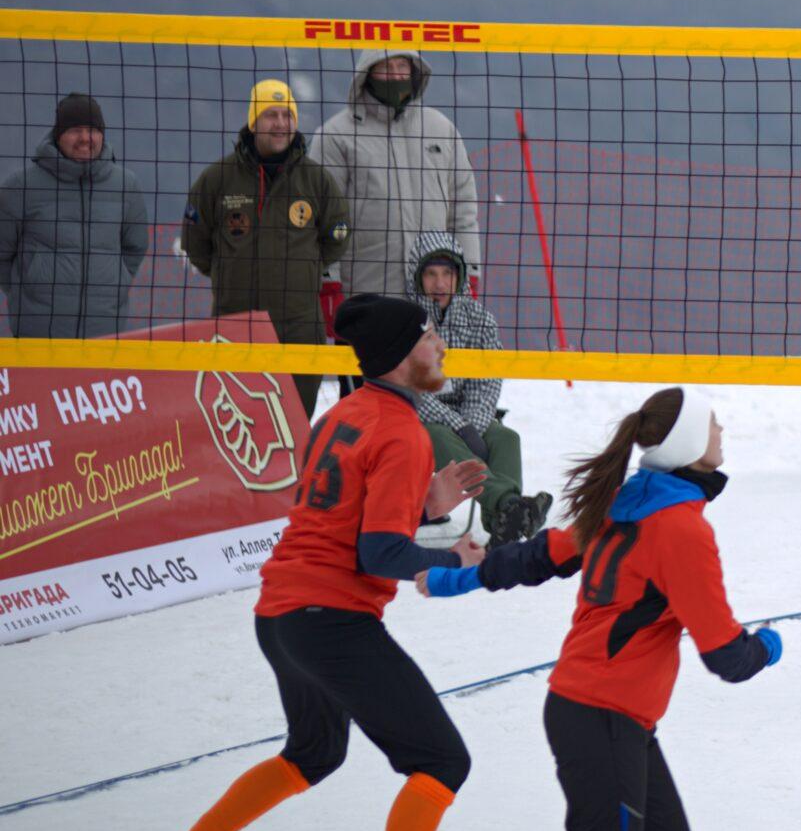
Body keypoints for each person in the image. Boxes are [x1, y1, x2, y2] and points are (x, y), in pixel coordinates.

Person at [171, 294, 491, 831]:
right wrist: (453, 559)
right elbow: (381, 555)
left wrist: (423, 509)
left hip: (280, 618)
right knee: (443, 761)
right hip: (330, 621)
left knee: (313, 754)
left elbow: (342, 521)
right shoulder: (402, 432)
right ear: (398, 353)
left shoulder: (342, 414)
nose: (441, 346)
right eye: (428, 337)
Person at [418, 386, 780, 831]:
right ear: (689, 441)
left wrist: (457, 579)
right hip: (602, 717)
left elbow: (539, 557)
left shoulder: (631, 504)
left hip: (611, 719)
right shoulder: (679, 528)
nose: (721, 429)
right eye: (712, 422)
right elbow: (726, 655)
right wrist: (768, 647)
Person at [182, 81, 350, 416]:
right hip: (235, 324)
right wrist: (227, 272)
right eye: (271, 115)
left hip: (299, 326)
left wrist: (305, 270)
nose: (281, 123)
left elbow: (337, 238)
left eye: (287, 114)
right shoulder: (218, 178)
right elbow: (195, 242)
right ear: (253, 122)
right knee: (241, 425)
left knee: (296, 423)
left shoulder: (316, 180)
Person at [402, 230, 548, 545]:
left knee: (506, 437)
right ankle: (509, 506)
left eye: (447, 274)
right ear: (417, 276)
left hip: (469, 415)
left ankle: (502, 529)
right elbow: (411, 389)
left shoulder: (480, 319)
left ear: (460, 276)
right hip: (415, 416)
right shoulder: (405, 320)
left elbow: (487, 382)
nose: (440, 283)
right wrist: (461, 427)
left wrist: (473, 425)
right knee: (439, 436)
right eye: (430, 274)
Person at [313, 51, 480, 302]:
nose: (396, 75)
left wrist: (470, 272)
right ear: (367, 73)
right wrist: (328, 283)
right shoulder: (335, 136)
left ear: (414, 71)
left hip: (435, 299)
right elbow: (320, 218)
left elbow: (464, 211)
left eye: (402, 65)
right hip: (365, 295)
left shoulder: (442, 130)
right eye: (386, 67)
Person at [0, 91, 149, 338]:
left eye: (93, 130)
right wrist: (23, 291)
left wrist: (116, 282)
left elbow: (135, 247)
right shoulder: (20, 186)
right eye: (75, 130)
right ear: (59, 136)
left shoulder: (126, 185)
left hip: (104, 334)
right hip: (38, 337)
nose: (85, 138)